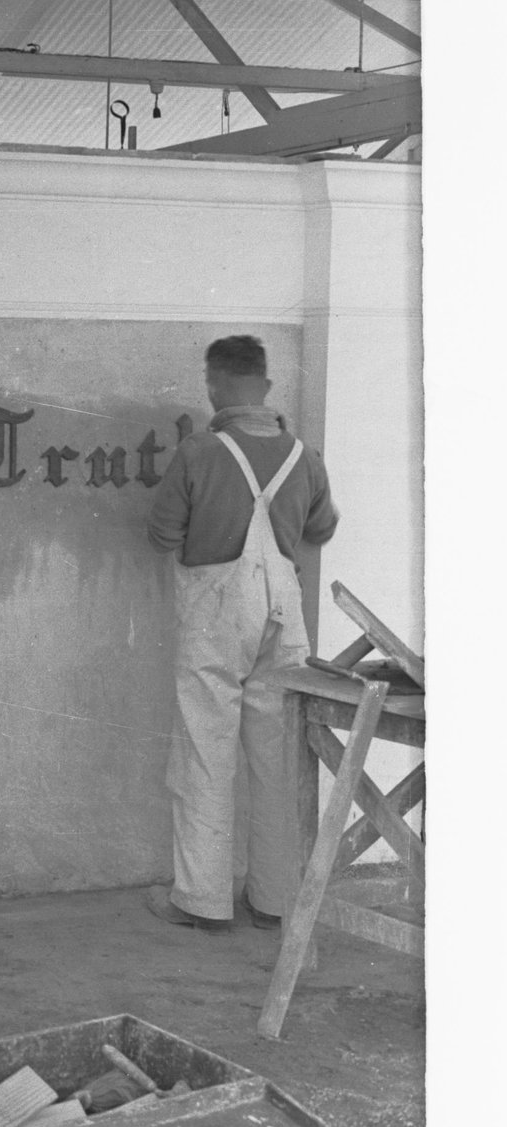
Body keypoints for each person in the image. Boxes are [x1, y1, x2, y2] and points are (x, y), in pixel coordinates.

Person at [146, 334, 338, 932]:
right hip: (284, 617)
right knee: (278, 758)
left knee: (205, 751)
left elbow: (159, 536)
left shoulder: (198, 452)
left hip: (217, 614)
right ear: (267, 386)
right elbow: (323, 529)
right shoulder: (303, 456)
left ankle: (200, 900)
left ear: (213, 384)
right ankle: (275, 900)